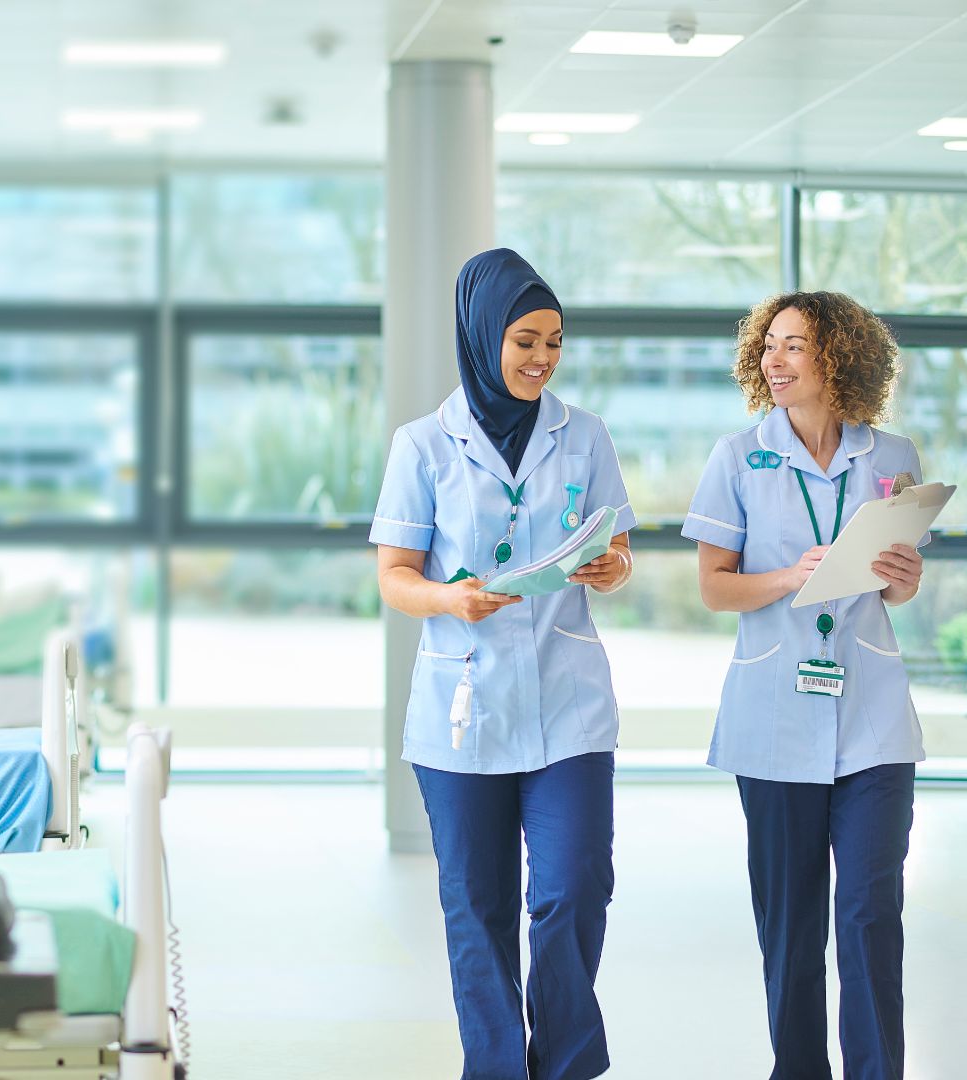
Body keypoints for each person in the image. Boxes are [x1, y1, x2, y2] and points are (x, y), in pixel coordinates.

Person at [370, 248, 636, 1080]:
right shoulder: (424, 445)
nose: (542, 359)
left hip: (570, 701)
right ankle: (495, 1068)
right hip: (465, 704)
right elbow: (394, 578)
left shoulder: (584, 434)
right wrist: (451, 599)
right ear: (484, 337)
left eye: (554, 342)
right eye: (525, 340)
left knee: (574, 889)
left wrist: (609, 566)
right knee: (477, 908)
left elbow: (620, 551)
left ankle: (563, 1065)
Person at [682, 291, 926, 1080]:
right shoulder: (736, 457)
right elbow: (716, 588)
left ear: (839, 358)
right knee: (790, 929)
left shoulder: (891, 459)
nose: (773, 361)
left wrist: (903, 577)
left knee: (868, 916)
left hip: (873, 720)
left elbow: (896, 590)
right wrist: (790, 577)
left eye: (794, 346)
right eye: (769, 345)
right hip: (775, 717)